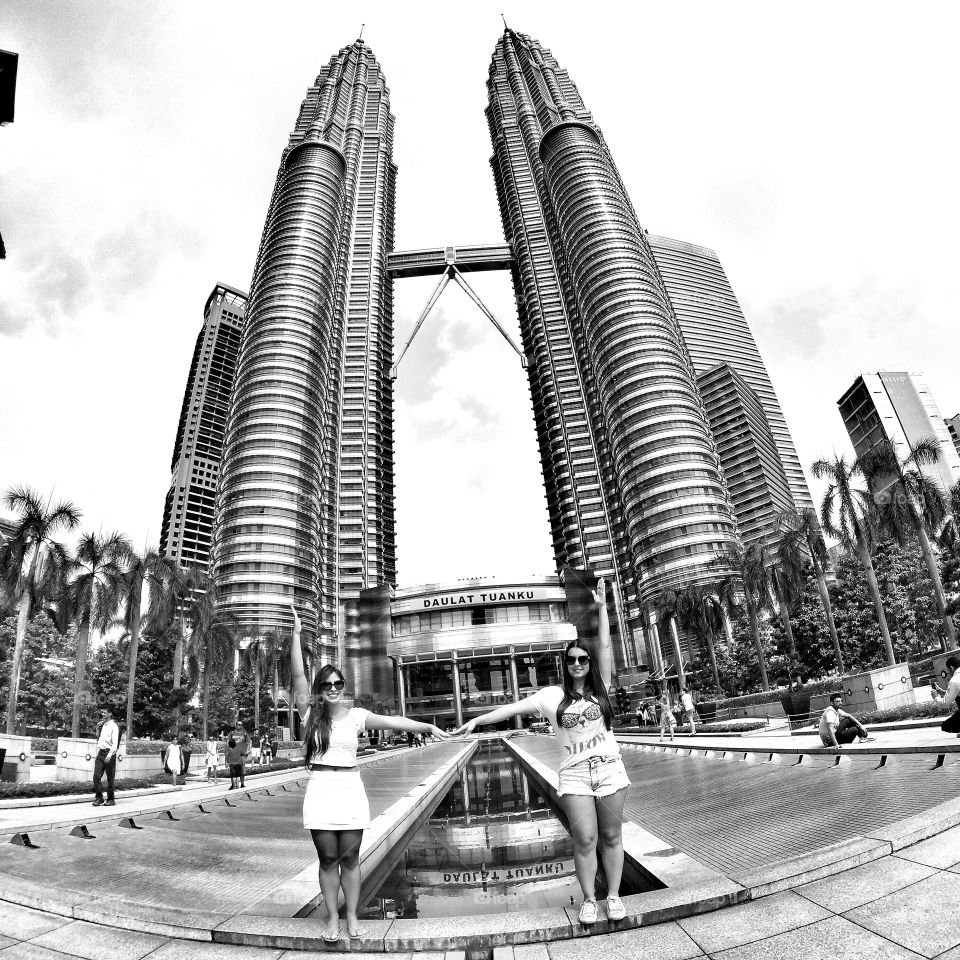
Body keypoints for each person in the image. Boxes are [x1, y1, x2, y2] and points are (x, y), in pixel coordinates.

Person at [453, 579, 629, 927]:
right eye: (571, 660)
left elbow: (606, 644)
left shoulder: (602, 687)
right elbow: (509, 707)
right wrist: (476, 720)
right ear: (565, 664)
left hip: (610, 770)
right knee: (585, 838)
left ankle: (614, 896)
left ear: (589, 662)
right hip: (576, 774)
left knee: (611, 836)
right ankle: (590, 900)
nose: (577, 663)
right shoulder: (550, 696)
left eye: (582, 659)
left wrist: (603, 609)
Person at [289, 605, 449, 943]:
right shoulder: (310, 714)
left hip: (349, 789)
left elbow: (394, 722)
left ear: (343, 686)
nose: (333, 688)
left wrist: (426, 725)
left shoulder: (357, 716)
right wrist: (296, 634)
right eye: (327, 684)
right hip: (320, 791)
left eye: (338, 683)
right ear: (320, 688)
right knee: (327, 858)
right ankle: (332, 918)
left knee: (350, 858)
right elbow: (298, 676)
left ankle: (351, 915)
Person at [92, 704, 122, 806]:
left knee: (110, 778)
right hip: (100, 753)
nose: (103, 714)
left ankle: (111, 799)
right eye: (102, 712)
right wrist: (97, 728)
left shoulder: (114, 726)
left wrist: (109, 755)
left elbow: (115, 744)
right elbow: (99, 738)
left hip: (109, 754)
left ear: (110, 713)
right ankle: (99, 798)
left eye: (105, 712)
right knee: (96, 776)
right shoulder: (102, 725)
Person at [931, 654, 960, 736]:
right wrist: (943, 692)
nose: (948, 673)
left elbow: (945, 704)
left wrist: (936, 697)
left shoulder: (954, 680)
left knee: (946, 726)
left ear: (952, 668)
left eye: (948, 670)